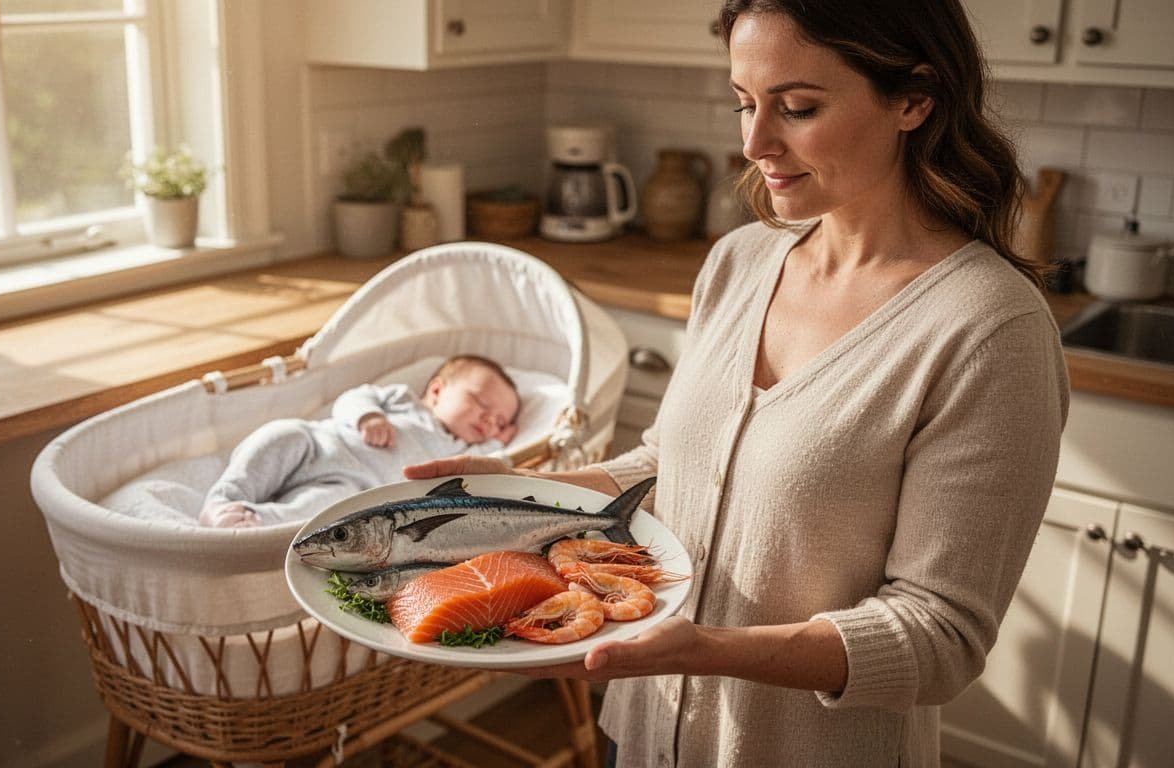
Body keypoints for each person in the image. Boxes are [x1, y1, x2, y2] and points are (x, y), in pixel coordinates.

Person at [404, 1, 1069, 765]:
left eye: (798, 107)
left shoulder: (988, 328)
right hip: (646, 733)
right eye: (745, 104)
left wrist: (706, 649)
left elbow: (940, 635)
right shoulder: (740, 260)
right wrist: (520, 488)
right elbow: (674, 466)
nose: (755, 143)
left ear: (915, 99)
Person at [200, 354, 520, 528]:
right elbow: (354, 397)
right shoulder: (403, 400)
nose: (490, 420)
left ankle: (252, 522)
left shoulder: (462, 450)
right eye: (481, 403)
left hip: (352, 485)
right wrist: (368, 416)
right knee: (280, 436)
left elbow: (494, 465)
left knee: (323, 510)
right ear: (436, 391)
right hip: (319, 446)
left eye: (501, 421)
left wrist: (502, 439)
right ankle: (226, 498)